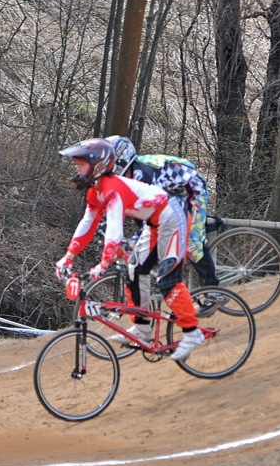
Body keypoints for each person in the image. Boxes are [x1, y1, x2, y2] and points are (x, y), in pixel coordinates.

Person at [54, 138, 204, 361]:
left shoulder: (112, 188)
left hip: (172, 218)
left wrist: (103, 264)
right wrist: (68, 256)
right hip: (154, 222)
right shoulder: (95, 191)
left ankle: (192, 332)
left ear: (98, 165)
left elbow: (114, 229)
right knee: (132, 270)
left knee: (167, 278)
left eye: (81, 164)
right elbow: (88, 224)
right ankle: (142, 330)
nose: (77, 170)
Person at [106, 135, 222, 292]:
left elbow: (154, 211)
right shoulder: (128, 175)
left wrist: (134, 240)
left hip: (191, 188)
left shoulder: (144, 175)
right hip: (170, 192)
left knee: (192, 243)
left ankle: (214, 290)